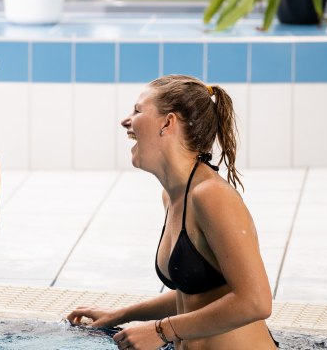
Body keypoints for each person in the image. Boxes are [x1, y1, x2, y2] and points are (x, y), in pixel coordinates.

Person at [68, 74, 277, 349]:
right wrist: (123, 314)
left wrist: (161, 331)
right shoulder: (173, 195)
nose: (125, 120)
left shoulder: (212, 196)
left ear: (168, 122)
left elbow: (256, 301)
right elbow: (196, 294)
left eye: (138, 110)